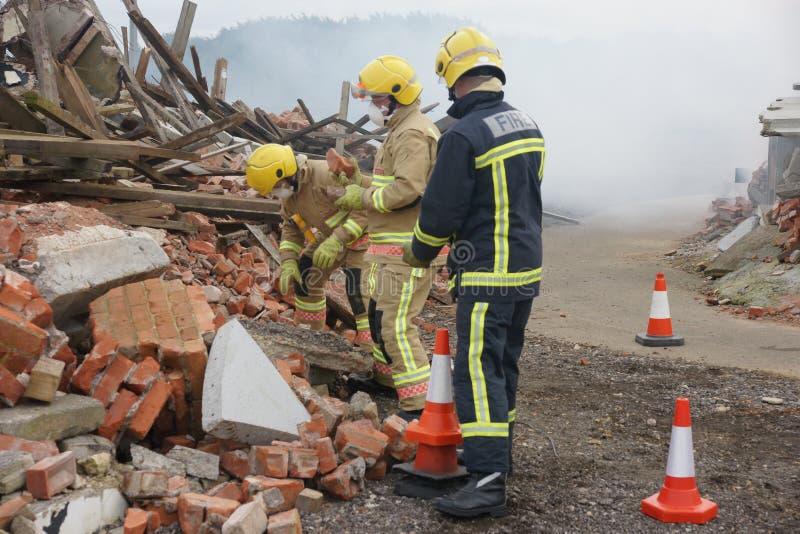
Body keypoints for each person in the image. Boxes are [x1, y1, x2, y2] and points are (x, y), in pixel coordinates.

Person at [403, 27, 546, 518]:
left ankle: (486, 482)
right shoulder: (526, 123)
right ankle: (497, 457)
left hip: (488, 273)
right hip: (525, 268)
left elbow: (440, 213)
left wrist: (417, 254)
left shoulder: (461, 134)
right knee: (502, 367)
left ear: (452, 78)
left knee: (477, 373)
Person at [335, 55, 445, 421]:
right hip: (388, 250)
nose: (372, 107)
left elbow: (409, 189)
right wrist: (358, 179)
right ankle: (390, 383)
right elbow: (387, 186)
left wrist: (362, 197)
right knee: (381, 318)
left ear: (396, 96)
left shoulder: (413, 133)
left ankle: (421, 407)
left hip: (405, 251)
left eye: (377, 99)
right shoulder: (400, 130)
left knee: (397, 326)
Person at [246, 143, 372, 350]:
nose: (276, 193)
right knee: (305, 276)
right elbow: (291, 229)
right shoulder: (291, 194)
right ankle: (309, 341)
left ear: (286, 173)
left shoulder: (325, 176)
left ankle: (379, 365)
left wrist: (338, 239)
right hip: (333, 238)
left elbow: (365, 206)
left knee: (359, 295)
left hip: (366, 236)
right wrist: (288, 261)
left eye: (276, 186)